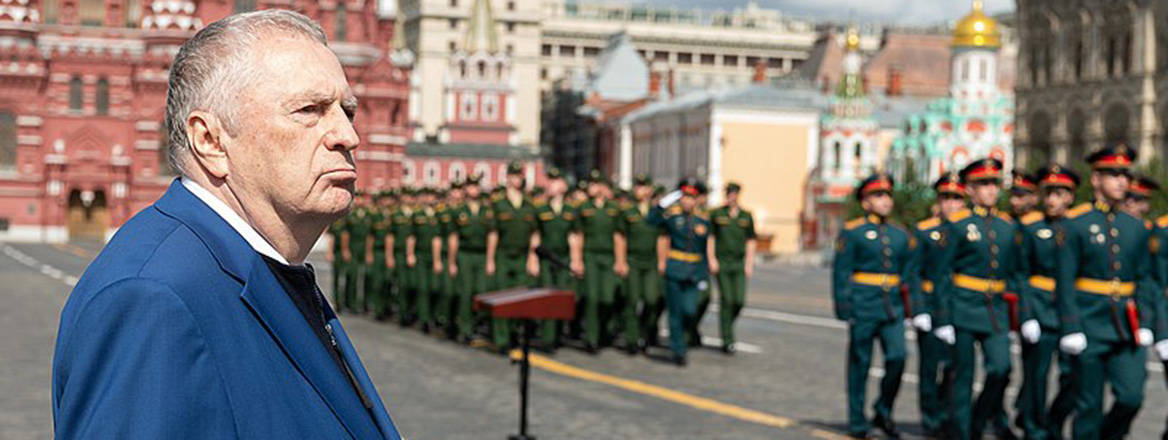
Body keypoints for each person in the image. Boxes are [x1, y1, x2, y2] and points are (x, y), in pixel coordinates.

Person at [51, 10, 400, 438]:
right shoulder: (154, 299)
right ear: (211, 141)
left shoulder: (262, 266)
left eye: (347, 111)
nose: (347, 135)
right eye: (310, 110)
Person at [1055, 143, 1158, 439]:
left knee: (1131, 397)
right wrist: (1071, 326)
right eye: (1113, 174)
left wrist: (1148, 322)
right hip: (1089, 323)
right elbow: (1065, 280)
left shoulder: (1135, 226)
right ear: (1096, 180)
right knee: (1088, 405)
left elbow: (1145, 279)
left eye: (1125, 174)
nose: (1122, 181)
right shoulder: (1075, 224)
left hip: (1126, 327)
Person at [932, 158, 1021, 440]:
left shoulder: (1007, 226)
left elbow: (1015, 271)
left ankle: (978, 419)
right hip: (963, 306)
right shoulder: (958, 225)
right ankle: (961, 432)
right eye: (983, 184)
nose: (991, 190)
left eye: (994, 184)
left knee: (1001, 368)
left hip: (994, 309)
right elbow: (943, 273)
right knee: (963, 376)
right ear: (970, 190)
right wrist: (943, 318)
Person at [832, 172, 920, 439]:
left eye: (887, 195)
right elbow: (841, 270)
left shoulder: (899, 234)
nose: (885, 201)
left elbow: (908, 273)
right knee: (860, 363)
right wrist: (844, 304)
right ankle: (857, 420)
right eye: (878, 195)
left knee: (898, 357)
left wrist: (911, 308)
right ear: (865, 201)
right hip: (864, 303)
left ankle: (883, 410)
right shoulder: (853, 231)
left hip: (891, 305)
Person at [1014, 164, 1080, 439]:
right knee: (1036, 377)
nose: (1054, 199)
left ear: (1071, 197)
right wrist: (1026, 314)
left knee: (1075, 379)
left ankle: (1053, 423)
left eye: (1061, 192)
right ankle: (1034, 428)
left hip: (1071, 312)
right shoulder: (1031, 228)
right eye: (1049, 192)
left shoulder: (1079, 227)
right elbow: (1020, 275)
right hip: (1040, 308)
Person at [913, 172, 965, 438]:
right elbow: (913, 273)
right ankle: (930, 417)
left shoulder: (969, 230)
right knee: (930, 366)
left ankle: (948, 414)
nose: (951, 204)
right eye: (946, 198)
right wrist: (918, 309)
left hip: (960, 306)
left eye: (957, 198)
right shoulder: (925, 231)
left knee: (955, 366)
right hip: (932, 305)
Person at [648, 178, 713, 366]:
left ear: (696, 200)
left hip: (694, 271)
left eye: (690, 198)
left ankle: (683, 339)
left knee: (690, 310)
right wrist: (665, 201)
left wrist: (705, 271)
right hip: (675, 269)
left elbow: (705, 247)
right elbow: (651, 220)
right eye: (683, 197)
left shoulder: (703, 220)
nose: (686, 201)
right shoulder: (671, 217)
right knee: (675, 312)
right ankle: (678, 349)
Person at [490, 161, 540, 352]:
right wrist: (491, 260)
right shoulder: (499, 204)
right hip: (503, 255)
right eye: (514, 176)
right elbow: (493, 234)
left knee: (518, 298)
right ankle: (501, 340)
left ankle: (513, 335)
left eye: (520, 176)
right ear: (508, 178)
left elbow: (534, 234)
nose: (517, 179)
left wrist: (532, 258)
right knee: (502, 298)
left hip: (521, 256)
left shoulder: (529, 205)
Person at [574, 169, 625, 352]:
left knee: (608, 298)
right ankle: (591, 338)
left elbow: (618, 237)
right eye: (591, 184)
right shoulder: (583, 208)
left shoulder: (613, 208)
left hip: (608, 256)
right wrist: (577, 260)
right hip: (590, 256)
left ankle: (605, 332)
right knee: (592, 298)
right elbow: (578, 236)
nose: (593, 187)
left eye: (597, 184)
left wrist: (620, 261)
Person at [447, 174, 498, 344]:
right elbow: (453, 238)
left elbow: (492, 235)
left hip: (482, 254)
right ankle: (465, 329)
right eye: (470, 186)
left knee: (482, 291)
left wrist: (490, 260)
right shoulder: (459, 211)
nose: (473, 189)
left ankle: (480, 325)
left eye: (476, 186)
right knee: (466, 293)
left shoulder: (486, 210)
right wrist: (453, 261)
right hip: (465, 254)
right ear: (465, 189)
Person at [534, 168, 580, 350]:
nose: (550, 185)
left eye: (554, 181)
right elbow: (536, 236)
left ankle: (558, 335)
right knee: (547, 296)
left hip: (563, 259)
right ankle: (547, 338)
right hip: (546, 258)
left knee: (561, 296)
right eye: (549, 181)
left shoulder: (570, 210)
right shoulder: (541, 209)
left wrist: (576, 261)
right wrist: (533, 260)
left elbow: (574, 237)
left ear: (563, 185)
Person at [709, 181, 757, 354]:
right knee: (727, 299)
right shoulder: (717, 214)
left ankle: (727, 324)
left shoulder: (746, 216)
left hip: (738, 263)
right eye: (729, 193)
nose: (731, 196)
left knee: (739, 301)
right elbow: (711, 237)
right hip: (722, 262)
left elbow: (751, 240)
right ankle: (727, 338)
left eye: (734, 193)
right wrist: (712, 258)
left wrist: (749, 263)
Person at [617, 173, 662, 354]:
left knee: (651, 299)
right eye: (638, 187)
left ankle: (644, 332)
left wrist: (662, 261)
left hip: (650, 262)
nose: (641, 190)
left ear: (650, 190)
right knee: (632, 300)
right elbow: (620, 238)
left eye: (644, 187)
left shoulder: (656, 212)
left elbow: (662, 238)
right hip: (633, 261)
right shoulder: (627, 211)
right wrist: (621, 261)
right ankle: (632, 339)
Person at [390, 187, 417, 326]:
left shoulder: (417, 214)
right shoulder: (396, 214)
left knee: (414, 285)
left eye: (410, 196)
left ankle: (412, 313)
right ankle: (403, 314)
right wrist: (390, 256)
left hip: (416, 255)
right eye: (406, 196)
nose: (408, 199)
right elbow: (390, 237)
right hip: (400, 253)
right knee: (402, 284)